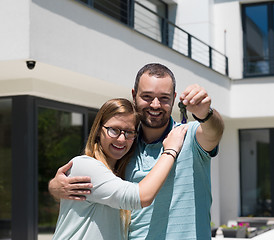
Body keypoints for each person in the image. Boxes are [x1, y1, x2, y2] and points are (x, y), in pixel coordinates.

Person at [49, 63, 224, 239]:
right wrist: (55, 187)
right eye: (147, 96)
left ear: (173, 98)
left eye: (164, 98)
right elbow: (110, 185)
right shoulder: (124, 147)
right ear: (134, 95)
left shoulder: (187, 135)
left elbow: (214, 131)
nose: (155, 105)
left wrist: (206, 113)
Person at [51, 98, 188, 240]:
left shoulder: (119, 175)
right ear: (98, 130)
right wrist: (170, 151)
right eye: (114, 130)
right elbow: (141, 197)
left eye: (129, 132)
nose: (121, 139)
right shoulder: (85, 166)